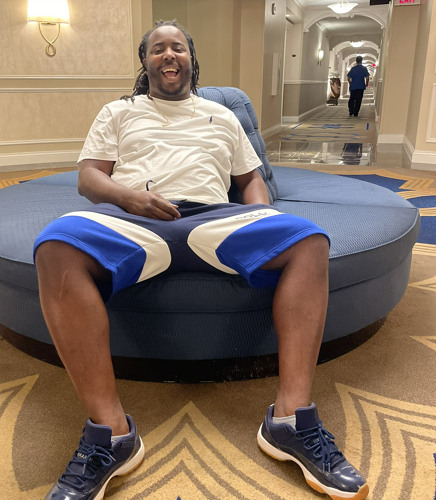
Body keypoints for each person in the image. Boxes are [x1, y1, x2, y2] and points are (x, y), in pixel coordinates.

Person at [34, 20, 369, 500]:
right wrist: (130, 198)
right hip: (135, 217)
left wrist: (261, 217)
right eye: (157, 49)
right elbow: (89, 178)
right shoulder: (119, 111)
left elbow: (250, 179)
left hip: (213, 218)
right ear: (145, 61)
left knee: (308, 240)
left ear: (192, 58)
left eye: (178, 47)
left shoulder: (221, 115)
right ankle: (112, 435)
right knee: (55, 244)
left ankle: (290, 421)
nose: (168, 55)